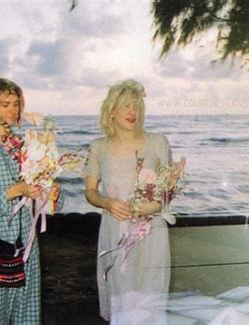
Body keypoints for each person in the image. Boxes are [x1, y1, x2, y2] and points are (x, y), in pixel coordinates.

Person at [0, 77, 61, 324]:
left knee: (28, 315)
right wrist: (15, 190)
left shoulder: (26, 145)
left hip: (28, 245)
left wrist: (49, 194)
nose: (13, 110)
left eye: (16, 104)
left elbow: (39, 204)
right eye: (5, 104)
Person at [85, 79, 180, 324]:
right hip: (115, 229)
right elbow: (90, 192)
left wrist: (155, 206)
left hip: (151, 231)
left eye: (136, 106)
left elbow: (168, 190)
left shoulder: (158, 142)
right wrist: (108, 203)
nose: (132, 112)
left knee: (150, 295)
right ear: (111, 111)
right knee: (123, 294)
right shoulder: (98, 147)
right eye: (126, 106)